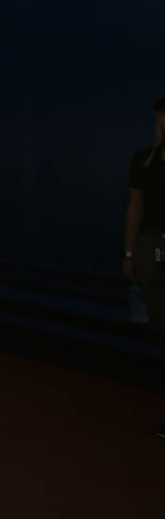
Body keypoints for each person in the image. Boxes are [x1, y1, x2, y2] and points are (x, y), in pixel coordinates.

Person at [123, 96, 165, 439]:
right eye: (162, 117)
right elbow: (135, 208)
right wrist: (129, 253)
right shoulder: (144, 161)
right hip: (153, 247)